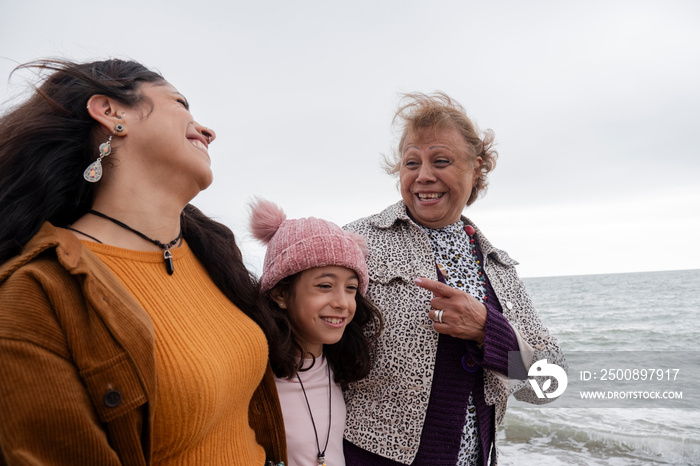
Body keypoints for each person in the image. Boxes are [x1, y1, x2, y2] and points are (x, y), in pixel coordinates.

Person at [0, 59, 286, 465]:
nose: (208, 130)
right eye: (181, 103)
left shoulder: (213, 253)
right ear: (112, 112)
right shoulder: (36, 294)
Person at [342, 92, 566, 466]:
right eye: (411, 162)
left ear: (476, 168)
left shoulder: (499, 267)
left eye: (441, 161)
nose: (423, 175)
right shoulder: (355, 243)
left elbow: (547, 385)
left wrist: (486, 330)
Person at [249, 199, 383, 466]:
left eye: (351, 288)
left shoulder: (339, 368)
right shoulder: (254, 376)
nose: (342, 303)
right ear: (280, 293)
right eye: (324, 285)